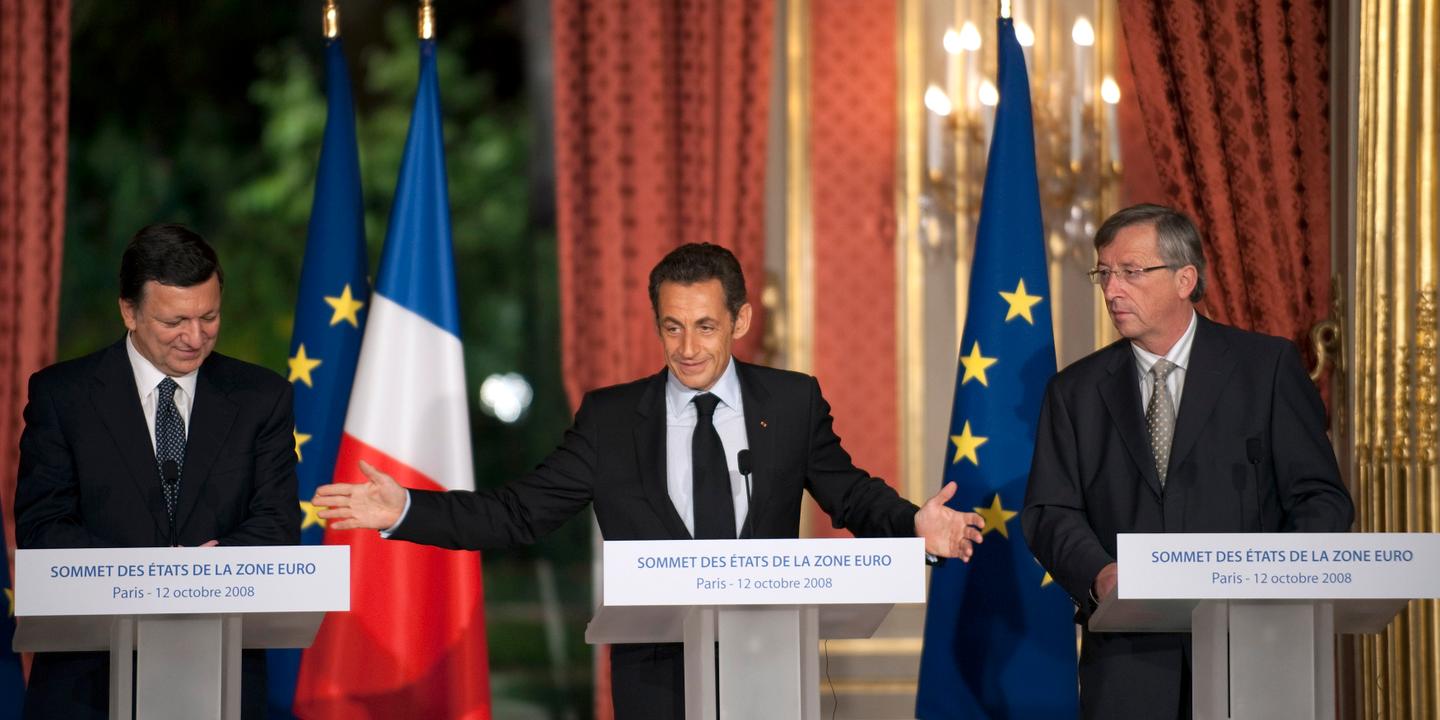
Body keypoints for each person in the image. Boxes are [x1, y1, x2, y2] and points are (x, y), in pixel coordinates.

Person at [314, 242, 986, 718]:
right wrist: (406, 510)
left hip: (768, 658)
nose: (688, 349)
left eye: (705, 327)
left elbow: (850, 494)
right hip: (656, 676)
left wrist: (913, 524)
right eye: (673, 327)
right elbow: (518, 512)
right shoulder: (610, 420)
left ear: (741, 321)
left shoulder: (791, 402)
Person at [1022, 204, 1354, 719]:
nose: (1112, 290)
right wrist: (1099, 575)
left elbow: (1321, 498)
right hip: (1130, 663)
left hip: (1254, 648)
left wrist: (1277, 581)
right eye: (1104, 273)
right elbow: (1050, 511)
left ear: (1185, 279)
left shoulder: (1265, 368)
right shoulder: (1075, 391)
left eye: (1131, 271)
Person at [14, 223, 300, 719]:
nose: (195, 337)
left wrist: (200, 573)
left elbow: (277, 524)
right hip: (87, 683)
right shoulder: (63, 396)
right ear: (129, 311)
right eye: (175, 321)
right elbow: (44, 529)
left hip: (219, 679)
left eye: (209, 317)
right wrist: (153, 576)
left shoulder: (261, 398)